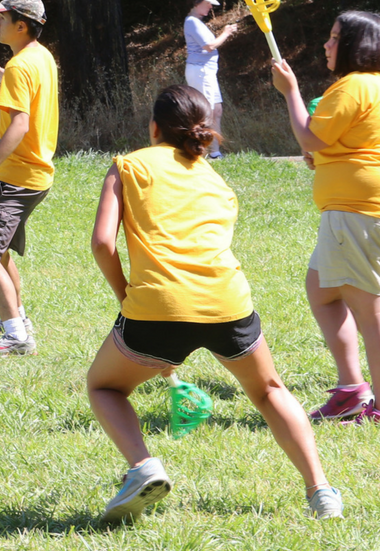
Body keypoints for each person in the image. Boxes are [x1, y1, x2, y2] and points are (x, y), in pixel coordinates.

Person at [87, 85, 342, 522]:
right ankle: (322, 493)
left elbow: (102, 243)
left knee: (104, 387)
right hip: (228, 303)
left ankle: (143, 468)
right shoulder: (217, 182)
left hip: (156, 306)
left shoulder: (128, 165)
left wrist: (128, 297)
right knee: (269, 391)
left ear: (153, 127)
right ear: (204, 131)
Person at [272, 11, 380, 426]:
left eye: (334, 37)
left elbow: (309, 136)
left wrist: (289, 91)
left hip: (361, 212)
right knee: (321, 290)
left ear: (356, 46)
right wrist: (325, 157)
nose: (326, 44)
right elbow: (377, 148)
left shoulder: (351, 86)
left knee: (371, 310)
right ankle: (350, 391)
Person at [0, 0, 58, 357]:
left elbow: (19, 125)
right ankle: (17, 320)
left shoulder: (22, 66)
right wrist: (3, 74)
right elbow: (31, 96)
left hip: (18, 176)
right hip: (35, 175)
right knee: (0, 251)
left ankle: (16, 337)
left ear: (21, 26)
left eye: (3, 17)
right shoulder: (38, 57)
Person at [183, 0, 238, 159]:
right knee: (206, 112)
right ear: (196, 3)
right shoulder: (192, 21)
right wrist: (227, 32)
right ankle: (202, 152)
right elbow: (209, 46)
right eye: (207, 3)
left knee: (216, 111)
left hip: (207, 72)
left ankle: (214, 152)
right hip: (201, 72)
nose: (210, 7)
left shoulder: (197, 22)